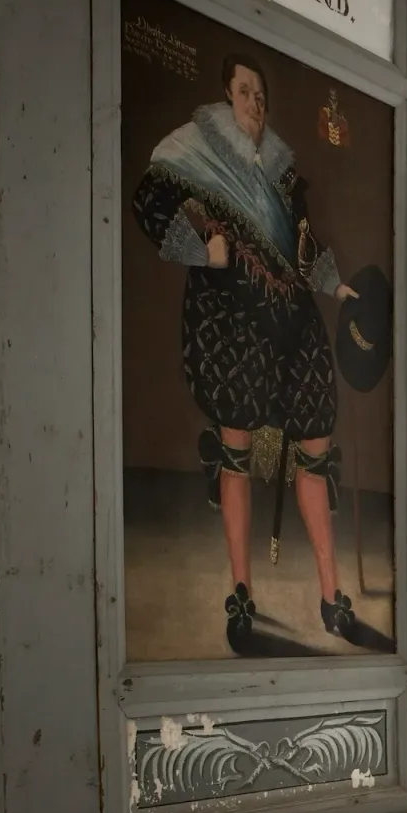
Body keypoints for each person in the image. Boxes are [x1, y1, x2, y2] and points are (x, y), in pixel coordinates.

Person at [132, 51, 359, 654]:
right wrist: (200, 242)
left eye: (260, 95)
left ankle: (332, 596)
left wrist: (335, 285)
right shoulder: (190, 154)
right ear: (224, 100)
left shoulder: (284, 174)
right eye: (243, 93)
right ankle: (241, 595)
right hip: (231, 320)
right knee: (235, 450)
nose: (255, 105)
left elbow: (305, 247)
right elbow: (147, 205)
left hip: (294, 323)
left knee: (315, 446)